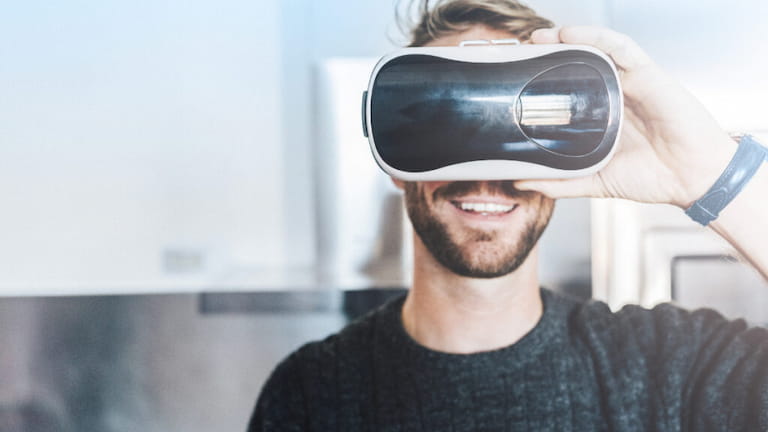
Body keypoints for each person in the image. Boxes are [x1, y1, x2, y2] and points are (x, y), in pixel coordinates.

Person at [248, 0, 768, 430]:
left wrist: (710, 175)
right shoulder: (311, 394)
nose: (487, 173)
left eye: (520, 134)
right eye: (447, 122)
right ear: (395, 157)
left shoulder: (670, 366)